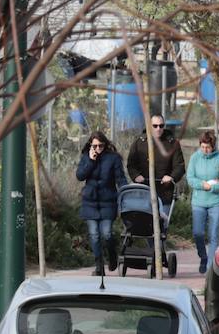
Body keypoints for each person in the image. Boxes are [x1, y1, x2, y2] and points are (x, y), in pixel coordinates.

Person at [77, 132, 128, 276]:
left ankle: (112, 256)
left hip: (108, 202)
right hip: (90, 202)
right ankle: (99, 266)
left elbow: (120, 178)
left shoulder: (114, 158)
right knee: (94, 235)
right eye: (95, 146)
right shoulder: (86, 157)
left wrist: (126, 193)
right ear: (90, 145)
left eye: (101, 145)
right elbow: (80, 175)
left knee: (107, 234)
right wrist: (91, 161)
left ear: (105, 145)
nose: (98, 148)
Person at [186, 130, 219, 275]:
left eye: (208, 147)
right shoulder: (195, 158)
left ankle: (210, 267)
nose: (205, 150)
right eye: (202, 147)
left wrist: (213, 187)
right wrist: (204, 185)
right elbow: (190, 179)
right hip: (199, 201)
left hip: (216, 201)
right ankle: (203, 256)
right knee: (198, 233)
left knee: (214, 234)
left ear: (213, 146)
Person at [127, 114, 185, 205]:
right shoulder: (139, 143)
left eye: (161, 126)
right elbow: (131, 164)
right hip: (143, 191)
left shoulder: (172, 143)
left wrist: (172, 177)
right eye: (155, 126)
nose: (158, 129)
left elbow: (180, 166)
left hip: (165, 192)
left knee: (164, 218)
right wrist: (135, 176)